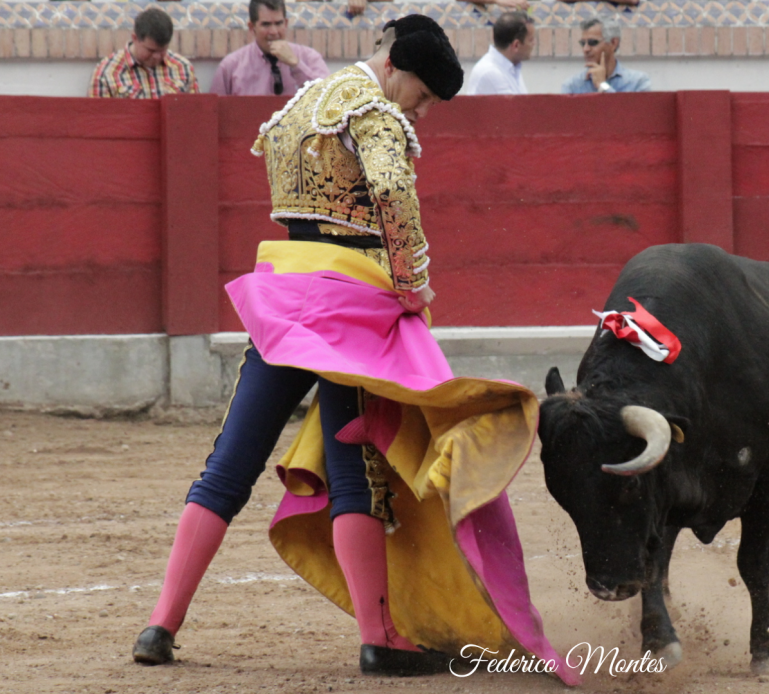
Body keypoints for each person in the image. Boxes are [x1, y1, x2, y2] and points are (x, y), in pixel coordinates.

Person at [132, 15, 578, 684]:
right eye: (422, 96)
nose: (420, 113)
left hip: (286, 300)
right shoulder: (376, 112)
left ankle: (160, 624)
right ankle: (380, 638)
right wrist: (413, 288)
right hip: (352, 311)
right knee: (354, 472)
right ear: (396, 66)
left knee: (227, 466)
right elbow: (394, 196)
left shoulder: (302, 104)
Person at [210, 0, 329, 97]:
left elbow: (328, 98)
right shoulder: (231, 66)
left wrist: (295, 64)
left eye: (278, 23)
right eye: (266, 24)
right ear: (252, 27)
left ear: (286, 23)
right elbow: (213, 113)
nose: (273, 32)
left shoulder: (309, 57)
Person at [88, 7, 199, 99]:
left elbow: (196, 114)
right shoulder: (107, 72)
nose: (157, 56)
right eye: (151, 50)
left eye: (162, 50)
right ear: (135, 38)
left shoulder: (183, 67)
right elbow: (96, 120)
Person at [561, 18, 650, 94]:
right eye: (583, 43)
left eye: (592, 42)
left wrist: (602, 85)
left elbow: (630, 114)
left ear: (613, 43)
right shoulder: (572, 85)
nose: (586, 49)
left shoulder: (638, 81)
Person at [464, 11, 534, 95]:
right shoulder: (490, 72)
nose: (534, 44)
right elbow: (514, 107)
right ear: (516, 45)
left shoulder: (511, 67)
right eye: (531, 40)